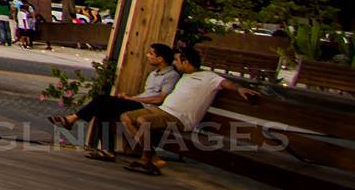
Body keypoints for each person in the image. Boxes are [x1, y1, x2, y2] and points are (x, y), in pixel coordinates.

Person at [117, 44, 260, 174]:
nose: (173, 63)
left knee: (143, 120)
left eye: (176, 61)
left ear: (185, 62)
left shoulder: (209, 77)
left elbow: (226, 83)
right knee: (126, 117)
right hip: (163, 110)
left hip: (180, 118)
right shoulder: (185, 75)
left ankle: (145, 159)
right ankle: (151, 156)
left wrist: (239, 88)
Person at [49, 44, 179, 157]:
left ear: (160, 58)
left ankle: (72, 119)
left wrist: (132, 98)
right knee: (102, 111)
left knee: (101, 99)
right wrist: (130, 97)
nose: (147, 55)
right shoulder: (153, 74)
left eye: (151, 54)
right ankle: (107, 150)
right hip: (138, 102)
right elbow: (148, 93)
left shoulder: (171, 76)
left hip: (147, 108)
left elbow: (160, 98)